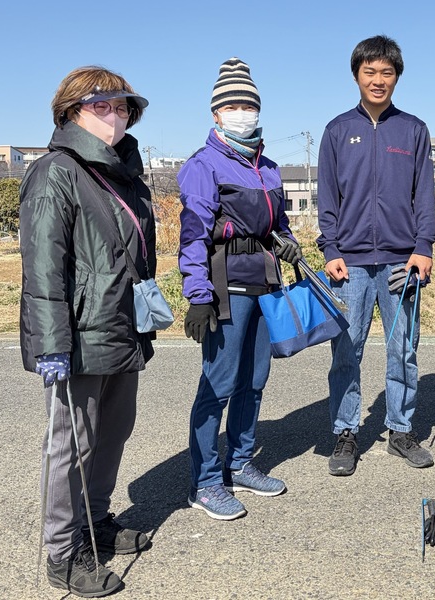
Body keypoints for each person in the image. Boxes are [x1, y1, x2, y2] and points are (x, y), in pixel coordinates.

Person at [20, 66, 154, 597]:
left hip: (122, 326)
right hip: (77, 333)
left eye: (123, 107)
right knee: (71, 445)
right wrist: (51, 343)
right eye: (104, 105)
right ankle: (61, 552)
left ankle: (95, 523)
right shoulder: (55, 171)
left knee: (114, 432)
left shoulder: (126, 176)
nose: (116, 115)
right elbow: (43, 268)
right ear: (72, 110)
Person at [178, 58, 301, 520]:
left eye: (248, 103)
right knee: (219, 383)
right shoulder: (202, 165)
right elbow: (192, 235)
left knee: (254, 380)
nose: (241, 111)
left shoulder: (268, 166)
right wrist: (197, 295)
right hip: (225, 284)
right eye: (232, 104)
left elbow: (280, 224)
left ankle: (241, 462)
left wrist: (287, 244)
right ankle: (205, 481)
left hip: (265, 283)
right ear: (215, 114)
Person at [316, 35, 435, 476]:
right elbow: (326, 197)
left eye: (387, 72)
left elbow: (424, 195)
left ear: (396, 77)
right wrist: (330, 247)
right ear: (356, 76)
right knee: (346, 348)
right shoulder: (335, 130)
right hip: (348, 260)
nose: (378, 80)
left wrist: (423, 247)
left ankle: (401, 430)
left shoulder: (413, 130)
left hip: (400, 259)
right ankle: (345, 432)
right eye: (370, 71)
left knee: (402, 347)